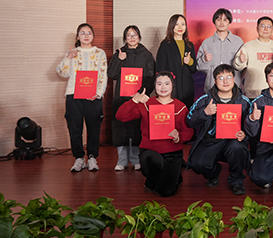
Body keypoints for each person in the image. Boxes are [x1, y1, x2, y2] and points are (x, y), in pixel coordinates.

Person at [115, 72, 194, 197]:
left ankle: (174, 175)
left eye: (167, 83)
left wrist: (179, 137)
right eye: (159, 84)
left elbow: (189, 131)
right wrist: (134, 100)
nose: (163, 87)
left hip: (173, 153)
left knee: (166, 192)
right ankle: (154, 178)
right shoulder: (146, 104)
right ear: (154, 86)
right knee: (151, 160)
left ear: (172, 86)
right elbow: (121, 116)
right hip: (150, 151)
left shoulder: (180, 107)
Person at [186, 64, 251, 195]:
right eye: (221, 78)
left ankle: (237, 180)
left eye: (228, 77)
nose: (225, 81)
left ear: (234, 79)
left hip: (233, 141)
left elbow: (251, 125)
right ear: (215, 81)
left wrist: (245, 134)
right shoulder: (206, 99)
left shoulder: (243, 101)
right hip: (210, 141)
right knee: (197, 164)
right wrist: (205, 113)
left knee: (237, 148)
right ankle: (213, 173)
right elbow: (189, 121)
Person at [57, 23, 107, 172]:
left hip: (93, 96)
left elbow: (103, 75)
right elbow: (62, 73)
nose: (86, 36)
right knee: (75, 128)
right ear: (78, 37)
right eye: (82, 33)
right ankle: (79, 158)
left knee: (94, 128)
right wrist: (68, 57)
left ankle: (92, 158)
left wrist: (98, 93)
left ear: (93, 36)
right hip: (74, 95)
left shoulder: (100, 53)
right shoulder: (73, 52)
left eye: (89, 33)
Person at [107, 25, 155, 171]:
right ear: (125, 38)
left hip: (138, 97)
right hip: (121, 97)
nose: (132, 38)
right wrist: (119, 60)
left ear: (139, 37)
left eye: (135, 35)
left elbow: (150, 76)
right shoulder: (120, 53)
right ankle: (122, 160)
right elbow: (112, 74)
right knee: (120, 128)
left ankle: (135, 159)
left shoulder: (146, 55)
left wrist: (143, 93)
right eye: (129, 35)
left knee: (136, 128)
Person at [196, 8, 244, 94]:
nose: (221, 23)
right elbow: (199, 67)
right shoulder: (207, 43)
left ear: (229, 22)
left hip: (233, 88)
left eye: (225, 20)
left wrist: (241, 61)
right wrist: (205, 60)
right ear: (214, 22)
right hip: (212, 87)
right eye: (218, 19)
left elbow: (243, 68)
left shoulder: (238, 42)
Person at [233, 16, 273, 99]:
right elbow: (237, 67)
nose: (266, 29)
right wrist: (240, 61)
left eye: (269, 26)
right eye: (262, 26)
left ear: (272, 29)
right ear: (257, 28)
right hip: (252, 93)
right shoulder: (248, 46)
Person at [156, 14, 197, 109]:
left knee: (186, 112)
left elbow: (194, 69)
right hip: (171, 86)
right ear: (172, 26)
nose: (180, 27)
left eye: (183, 24)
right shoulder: (165, 45)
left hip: (187, 86)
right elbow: (160, 68)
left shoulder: (189, 45)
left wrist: (189, 61)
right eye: (177, 24)